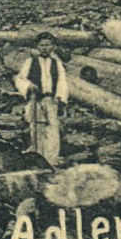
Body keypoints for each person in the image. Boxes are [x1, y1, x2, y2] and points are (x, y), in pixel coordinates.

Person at [13, 31, 70, 166]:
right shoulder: (30, 62)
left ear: (52, 47)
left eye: (48, 45)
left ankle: (51, 160)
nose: (45, 47)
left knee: (52, 129)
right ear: (37, 47)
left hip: (50, 100)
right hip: (36, 100)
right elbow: (20, 79)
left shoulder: (57, 63)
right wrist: (28, 86)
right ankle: (36, 158)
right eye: (42, 45)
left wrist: (60, 97)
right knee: (36, 129)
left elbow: (62, 81)